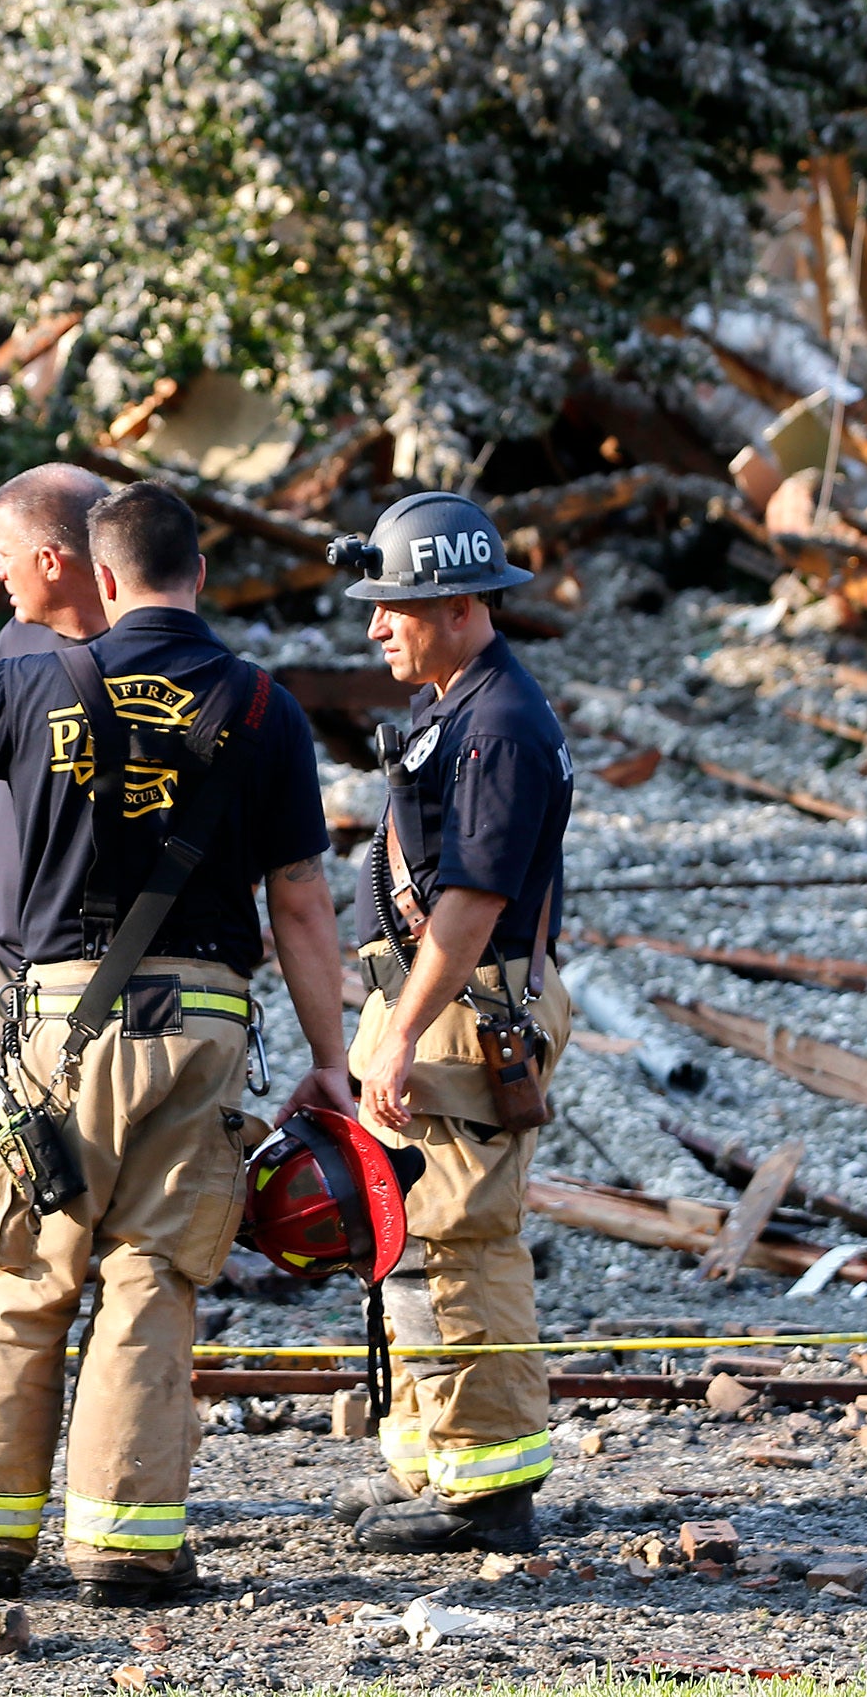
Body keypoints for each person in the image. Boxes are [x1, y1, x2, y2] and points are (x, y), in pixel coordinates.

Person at [0, 478, 345, 1605]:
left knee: (20, 1272)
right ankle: (128, 1546)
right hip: (203, 1026)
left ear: (101, 579)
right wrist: (333, 1058)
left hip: (58, 1023)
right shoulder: (266, 709)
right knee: (154, 1280)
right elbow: (301, 905)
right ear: (197, 573)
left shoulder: (26, 684)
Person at [326, 491, 574, 1555]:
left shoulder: (499, 728)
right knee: (408, 1235)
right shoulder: (464, 709)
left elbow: (470, 904)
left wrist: (397, 1031)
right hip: (439, 1001)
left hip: (463, 1011)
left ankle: (488, 1493)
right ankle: (436, 1462)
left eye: (396, 603)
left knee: (460, 1238)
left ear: (462, 603)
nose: (376, 624)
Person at [0, 466, 110, 1317]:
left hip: (107, 977)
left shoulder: (149, 651)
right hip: (4, 956)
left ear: (52, 559)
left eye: (4, 552)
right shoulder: (15, 644)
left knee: (105, 1177)